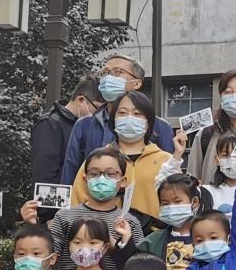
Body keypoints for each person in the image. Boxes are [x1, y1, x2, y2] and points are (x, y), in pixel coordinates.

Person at [61, 53, 174, 184]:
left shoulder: (160, 127)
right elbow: (69, 176)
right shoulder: (84, 125)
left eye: (117, 72)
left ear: (136, 83)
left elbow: (169, 177)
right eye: (105, 73)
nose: (108, 78)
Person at [33, 146, 143, 270]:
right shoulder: (65, 216)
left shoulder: (129, 222)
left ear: (123, 181)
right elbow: (48, 258)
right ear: (85, 179)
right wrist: (32, 226)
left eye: (110, 174)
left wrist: (121, 244)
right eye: (94, 174)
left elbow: (139, 266)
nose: (101, 179)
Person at [70, 91, 177, 224]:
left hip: (154, 234)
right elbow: (77, 202)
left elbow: (178, 202)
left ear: (148, 122)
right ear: (113, 120)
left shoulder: (167, 161)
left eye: (137, 113)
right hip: (105, 233)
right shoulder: (96, 160)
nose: (129, 118)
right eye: (122, 113)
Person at [31, 74, 100, 215]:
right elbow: (45, 175)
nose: (99, 114)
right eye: (97, 108)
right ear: (81, 100)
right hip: (59, 212)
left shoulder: (86, 127)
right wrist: (51, 214)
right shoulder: (50, 124)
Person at [137, 173, 207, 270]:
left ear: (194, 202)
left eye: (177, 201)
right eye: (165, 203)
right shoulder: (152, 242)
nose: (171, 207)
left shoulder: (208, 239)